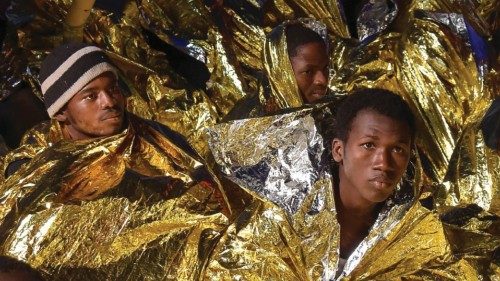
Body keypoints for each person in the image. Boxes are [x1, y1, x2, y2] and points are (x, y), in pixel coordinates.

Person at [0, 43, 230, 280]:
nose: (109, 102)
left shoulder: (157, 137)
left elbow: (207, 190)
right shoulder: (38, 167)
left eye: (113, 89)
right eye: (91, 96)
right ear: (60, 112)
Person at [205, 88, 465, 279]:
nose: (383, 162)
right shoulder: (283, 219)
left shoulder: (414, 235)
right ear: (339, 151)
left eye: (397, 149)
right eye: (369, 145)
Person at [223, 19, 330, 120]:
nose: (322, 80)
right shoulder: (249, 123)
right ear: (281, 73)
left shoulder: (334, 110)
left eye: (325, 68)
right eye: (308, 72)